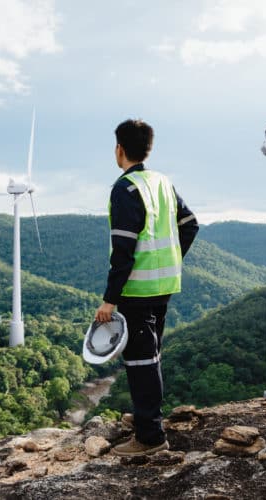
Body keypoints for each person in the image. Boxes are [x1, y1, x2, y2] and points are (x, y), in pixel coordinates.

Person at [95, 119, 199, 456]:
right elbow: (190, 224)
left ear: (119, 150)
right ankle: (146, 420)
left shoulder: (125, 189)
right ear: (148, 148)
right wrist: (170, 258)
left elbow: (123, 252)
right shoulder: (162, 182)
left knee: (141, 362)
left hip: (137, 291)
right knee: (150, 357)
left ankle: (150, 438)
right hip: (164, 285)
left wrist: (109, 301)